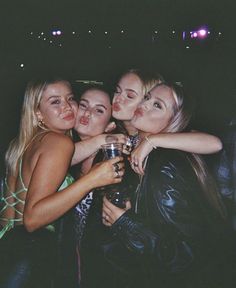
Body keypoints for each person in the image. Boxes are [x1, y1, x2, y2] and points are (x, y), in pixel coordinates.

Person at [102, 82, 230, 288]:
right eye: (147, 98)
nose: (144, 105)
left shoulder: (164, 168)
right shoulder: (137, 148)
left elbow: (186, 254)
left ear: (173, 122)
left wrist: (125, 223)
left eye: (157, 105)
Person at [0, 77, 124, 288]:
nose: (67, 107)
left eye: (70, 99)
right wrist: (93, 179)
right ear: (38, 112)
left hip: (8, 247)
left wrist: (102, 140)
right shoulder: (59, 143)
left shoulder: (29, 142)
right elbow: (32, 219)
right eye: (55, 102)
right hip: (31, 255)